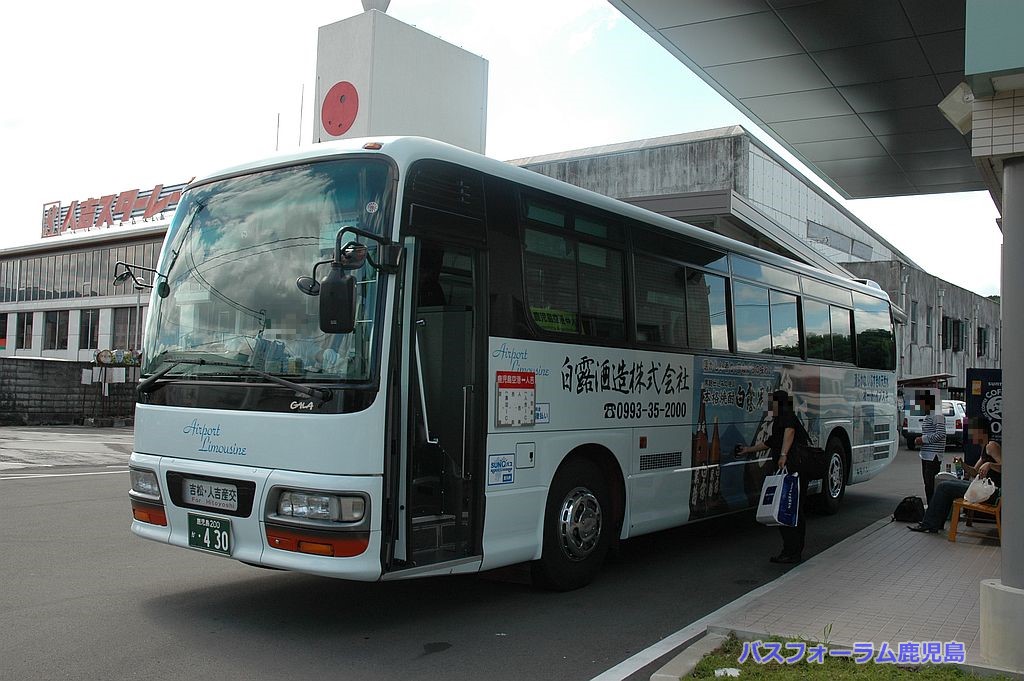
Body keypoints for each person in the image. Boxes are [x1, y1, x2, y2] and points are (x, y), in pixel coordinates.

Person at [738, 389, 810, 564]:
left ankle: (791, 552)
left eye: (772, 403)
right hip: (795, 471)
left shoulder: (786, 416)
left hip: (793, 471)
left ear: (779, 403)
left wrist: (783, 455)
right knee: (792, 510)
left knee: (787, 509)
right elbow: (769, 443)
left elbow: (789, 432)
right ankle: (793, 550)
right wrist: (747, 450)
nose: (770, 407)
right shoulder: (783, 419)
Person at [909, 420, 1001, 533]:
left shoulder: (991, 446)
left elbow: (1007, 468)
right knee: (945, 485)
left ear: (981, 432)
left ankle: (929, 523)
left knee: (944, 487)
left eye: (973, 432)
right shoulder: (984, 449)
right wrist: (962, 464)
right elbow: (974, 472)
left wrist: (990, 464)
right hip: (983, 489)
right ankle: (935, 523)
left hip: (991, 492)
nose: (971, 436)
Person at [914, 391, 946, 504]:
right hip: (926, 454)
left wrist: (922, 439)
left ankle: (933, 509)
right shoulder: (930, 415)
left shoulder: (937, 415)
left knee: (931, 484)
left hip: (933, 456)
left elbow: (941, 434)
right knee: (928, 484)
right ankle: (931, 507)